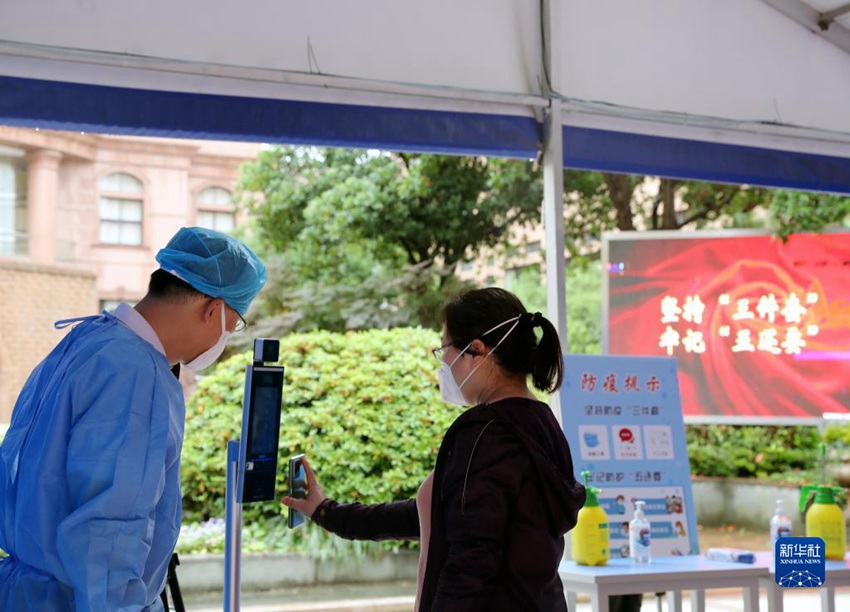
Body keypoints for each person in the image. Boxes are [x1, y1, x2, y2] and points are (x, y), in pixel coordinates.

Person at [0, 226, 266, 611]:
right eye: (233, 324)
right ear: (213, 310)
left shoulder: (86, 342)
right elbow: (108, 532)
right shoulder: (139, 375)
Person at [283, 287, 586, 610]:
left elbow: (472, 557)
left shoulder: (485, 431)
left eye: (446, 351)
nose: (444, 365)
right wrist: (327, 511)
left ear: (477, 350)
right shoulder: (541, 422)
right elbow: (439, 515)